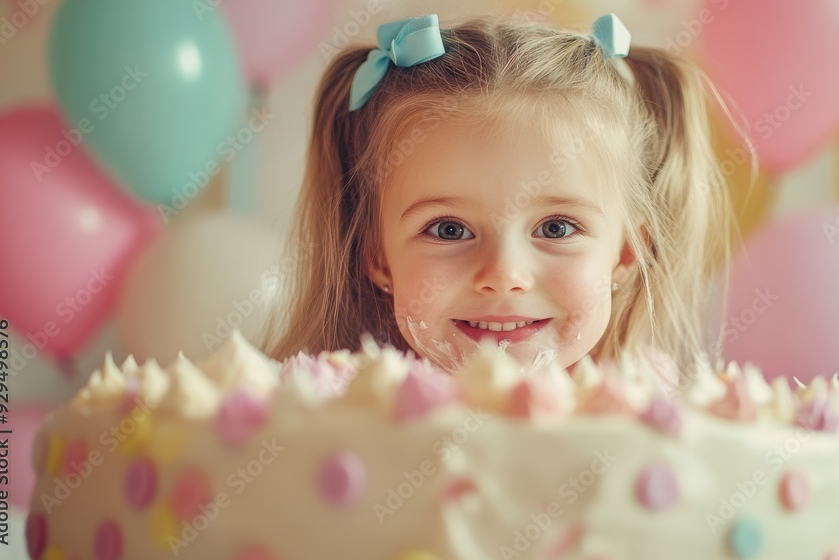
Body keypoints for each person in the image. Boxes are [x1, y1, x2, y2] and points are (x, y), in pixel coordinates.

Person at [260, 11, 739, 381]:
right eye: (449, 229)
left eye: (556, 228)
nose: (504, 275)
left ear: (627, 253)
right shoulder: (325, 425)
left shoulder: (660, 427)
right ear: (378, 257)